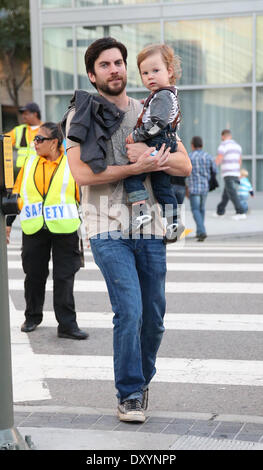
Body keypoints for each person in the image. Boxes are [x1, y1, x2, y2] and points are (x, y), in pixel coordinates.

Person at [64, 37, 191, 422]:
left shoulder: (149, 110)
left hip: (149, 226)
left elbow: (184, 165)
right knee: (130, 311)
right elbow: (81, 173)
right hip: (106, 225)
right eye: (105, 65)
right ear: (92, 74)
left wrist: (153, 160)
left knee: (154, 316)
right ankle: (130, 393)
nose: (115, 69)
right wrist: (136, 168)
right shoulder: (81, 115)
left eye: (119, 62)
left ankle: (140, 377)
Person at [6, 122, 88, 340]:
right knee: (33, 275)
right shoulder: (30, 162)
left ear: (54, 143)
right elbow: (17, 193)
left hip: (65, 228)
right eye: (35, 139)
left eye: (39, 139)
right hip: (34, 228)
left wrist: (91, 228)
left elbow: (84, 195)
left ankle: (67, 325)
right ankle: (32, 316)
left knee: (64, 277)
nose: (35, 143)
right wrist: (9, 222)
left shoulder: (72, 164)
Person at [124, 44, 183, 242]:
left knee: (132, 177)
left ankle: (141, 211)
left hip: (157, 142)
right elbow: (156, 112)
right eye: (145, 73)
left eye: (156, 71)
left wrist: (137, 135)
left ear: (170, 71)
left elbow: (156, 123)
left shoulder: (163, 95)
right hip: (167, 143)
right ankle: (174, 223)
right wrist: (145, 104)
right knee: (162, 188)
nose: (150, 76)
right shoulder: (162, 95)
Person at [187, 136, 217, 241]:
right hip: (205, 187)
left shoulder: (189, 156)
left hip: (193, 188)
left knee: (195, 210)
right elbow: (215, 170)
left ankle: (202, 231)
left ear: (192, 145)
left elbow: (185, 172)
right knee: (201, 209)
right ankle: (200, 231)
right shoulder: (208, 156)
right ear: (202, 145)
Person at [215, 129, 246, 220]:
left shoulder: (223, 145)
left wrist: (212, 167)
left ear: (223, 136)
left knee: (232, 193)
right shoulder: (238, 146)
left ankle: (240, 212)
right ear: (230, 136)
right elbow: (239, 160)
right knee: (227, 193)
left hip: (228, 173)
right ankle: (220, 211)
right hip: (235, 172)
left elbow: (219, 158)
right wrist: (238, 171)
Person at [6, 102, 43, 178]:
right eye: (22, 114)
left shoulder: (46, 130)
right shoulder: (18, 130)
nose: (23, 116)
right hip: (22, 172)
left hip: (40, 170)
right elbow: (4, 141)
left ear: (35, 114)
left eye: (26, 114)